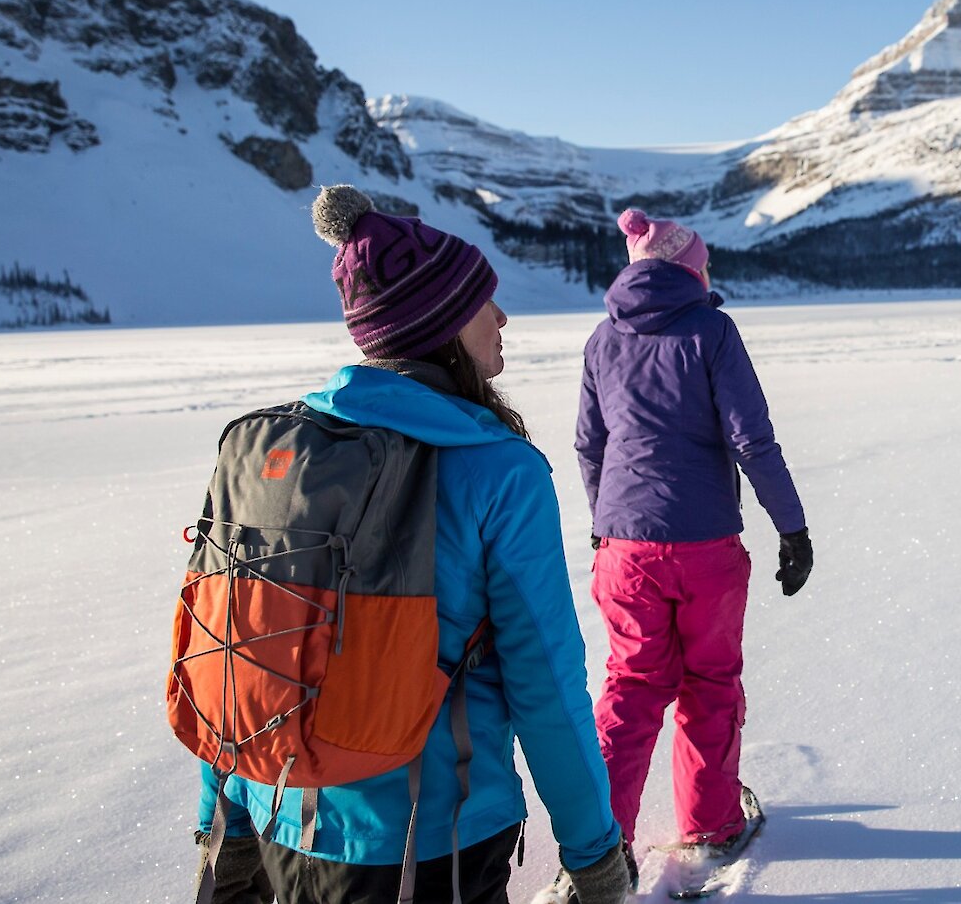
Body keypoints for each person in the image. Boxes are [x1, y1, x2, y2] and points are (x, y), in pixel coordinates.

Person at [190, 185, 631, 904]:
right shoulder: (496, 470)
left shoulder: (269, 451)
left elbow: (237, 652)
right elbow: (546, 683)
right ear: (443, 324)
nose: (502, 316)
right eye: (483, 301)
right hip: (434, 847)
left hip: (281, 825)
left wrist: (224, 824)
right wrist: (593, 853)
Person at [542, 207, 813, 895]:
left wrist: (609, 523)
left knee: (630, 689)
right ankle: (712, 822)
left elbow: (587, 444)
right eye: (705, 265)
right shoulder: (712, 331)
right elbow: (752, 438)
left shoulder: (603, 339)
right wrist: (792, 527)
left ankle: (604, 849)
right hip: (704, 548)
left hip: (624, 548)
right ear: (689, 270)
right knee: (710, 684)